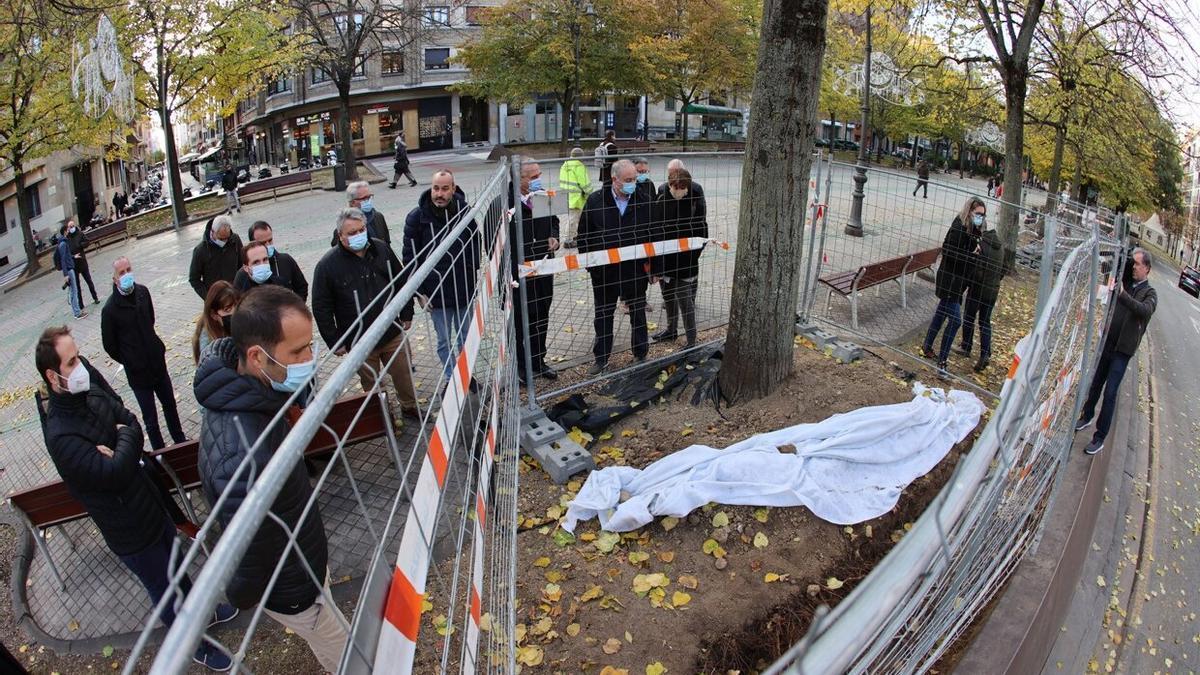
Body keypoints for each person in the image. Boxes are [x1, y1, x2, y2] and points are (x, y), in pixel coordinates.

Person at [36, 326, 235, 671]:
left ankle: (203, 612)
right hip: (129, 530)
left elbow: (131, 422)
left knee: (177, 569)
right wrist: (123, 443)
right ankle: (192, 643)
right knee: (163, 587)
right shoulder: (61, 434)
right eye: (72, 362)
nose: (82, 366)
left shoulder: (92, 394)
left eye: (79, 355)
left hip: (150, 504)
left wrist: (119, 443)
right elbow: (112, 475)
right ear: (53, 376)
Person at [194, 286, 347, 671]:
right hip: (293, 586)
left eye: (310, 346)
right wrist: (252, 596)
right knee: (348, 654)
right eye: (297, 352)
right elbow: (246, 558)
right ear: (257, 356)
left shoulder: (249, 390)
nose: (310, 361)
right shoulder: (245, 456)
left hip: (300, 560)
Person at [313, 208, 420, 418]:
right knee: (372, 384)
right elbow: (321, 306)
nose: (358, 235)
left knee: (404, 373)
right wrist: (335, 340)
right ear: (340, 236)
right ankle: (384, 416)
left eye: (361, 229)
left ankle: (409, 406)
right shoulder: (327, 266)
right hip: (359, 340)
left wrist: (407, 313)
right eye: (352, 233)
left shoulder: (381, 249)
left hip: (391, 331)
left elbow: (400, 282)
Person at [1076, 248, 1157, 455]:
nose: (1134, 268)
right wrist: (1126, 259)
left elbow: (1144, 310)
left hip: (1123, 351)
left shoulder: (1150, 293)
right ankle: (1087, 415)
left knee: (1110, 392)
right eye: (1134, 263)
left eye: (1138, 264)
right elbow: (1114, 268)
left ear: (1147, 268)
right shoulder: (1126, 282)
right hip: (1109, 342)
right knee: (1096, 383)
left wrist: (1123, 295)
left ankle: (1099, 437)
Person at [101, 257, 188, 450]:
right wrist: (129, 359)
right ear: (115, 279)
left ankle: (180, 440)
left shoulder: (142, 292)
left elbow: (151, 319)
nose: (126, 275)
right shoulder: (110, 310)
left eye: (128, 270)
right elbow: (109, 345)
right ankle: (160, 449)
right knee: (150, 417)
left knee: (170, 404)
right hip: (137, 372)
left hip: (157, 362)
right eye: (121, 273)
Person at [577, 159, 655, 373]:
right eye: (628, 180)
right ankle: (601, 358)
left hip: (635, 270)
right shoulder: (595, 201)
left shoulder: (644, 200)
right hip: (604, 272)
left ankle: (640, 353)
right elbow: (584, 234)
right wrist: (590, 265)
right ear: (614, 180)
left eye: (635, 180)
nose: (633, 184)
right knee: (603, 314)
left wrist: (654, 267)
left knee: (638, 311)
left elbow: (654, 235)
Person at [403, 170, 480, 379]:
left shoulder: (464, 212)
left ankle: (468, 376)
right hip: (434, 293)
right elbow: (410, 259)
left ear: (453, 189)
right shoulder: (417, 218)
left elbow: (475, 242)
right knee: (444, 340)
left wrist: (471, 273)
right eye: (436, 188)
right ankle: (451, 378)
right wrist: (419, 292)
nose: (439, 193)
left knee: (466, 337)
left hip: (463, 288)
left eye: (445, 188)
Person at [922, 197, 982, 376]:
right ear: (969, 211)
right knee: (956, 321)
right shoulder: (958, 228)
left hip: (958, 284)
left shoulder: (972, 231)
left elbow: (968, 256)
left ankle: (927, 345)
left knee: (941, 314)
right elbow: (948, 252)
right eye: (978, 214)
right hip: (949, 282)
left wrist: (975, 249)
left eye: (983, 215)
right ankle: (942, 363)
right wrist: (971, 255)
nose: (981, 218)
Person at [514, 161, 561, 382]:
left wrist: (554, 237)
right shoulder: (504, 204)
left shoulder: (542, 197)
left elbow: (554, 221)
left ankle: (539, 361)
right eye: (533, 176)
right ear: (519, 178)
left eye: (539, 175)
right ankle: (521, 368)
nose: (538, 180)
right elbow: (495, 243)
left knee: (541, 317)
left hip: (544, 271)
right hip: (517, 277)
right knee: (519, 323)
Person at [651, 168, 707, 348]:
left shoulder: (695, 196)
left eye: (682, 188)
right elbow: (655, 228)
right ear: (669, 185)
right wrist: (657, 263)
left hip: (686, 260)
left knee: (685, 300)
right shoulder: (661, 195)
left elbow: (702, 230)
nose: (678, 191)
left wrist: (693, 256)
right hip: (665, 259)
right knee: (667, 296)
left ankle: (691, 339)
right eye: (675, 188)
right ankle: (671, 330)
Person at [958, 210, 1004, 372]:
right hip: (993, 291)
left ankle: (966, 346)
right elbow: (1003, 269)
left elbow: (976, 269)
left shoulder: (982, 245)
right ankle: (985, 353)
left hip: (978, 289)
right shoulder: (1000, 247)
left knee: (969, 317)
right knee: (985, 322)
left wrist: (970, 281)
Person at [241, 220, 308, 301]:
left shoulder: (286, 261)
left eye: (270, 240)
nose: (268, 245)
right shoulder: (242, 275)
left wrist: (295, 309)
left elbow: (301, 287)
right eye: (263, 242)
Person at [189, 216, 244, 301]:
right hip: (216, 299)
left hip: (236, 295)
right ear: (213, 232)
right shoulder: (200, 250)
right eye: (221, 238)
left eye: (227, 238)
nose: (224, 241)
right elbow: (194, 279)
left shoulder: (235, 240)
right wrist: (209, 298)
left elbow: (242, 265)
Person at [330, 181, 392, 247]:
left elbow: (387, 243)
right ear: (352, 202)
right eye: (364, 198)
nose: (368, 200)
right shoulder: (343, 229)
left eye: (369, 197)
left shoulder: (378, 217)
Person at [193, 281, 239, 364]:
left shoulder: (229, 327)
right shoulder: (209, 349)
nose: (234, 312)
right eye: (227, 310)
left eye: (236, 306)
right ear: (214, 314)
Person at [558, 147, 591, 248]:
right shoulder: (579, 166)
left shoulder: (565, 164)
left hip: (567, 196)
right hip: (577, 197)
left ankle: (573, 236)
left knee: (572, 218)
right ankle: (568, 240)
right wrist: (590, 193)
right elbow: (584, 183)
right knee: (573, 220)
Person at [64, 219, 101, 305]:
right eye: (70, 227)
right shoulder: (67, 238)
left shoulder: (80, 234)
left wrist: (80, 245)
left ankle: (95, 297)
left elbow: (87, 242)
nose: (72, 228)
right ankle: (81, 304)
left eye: (73, 226)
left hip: (82, 262)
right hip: (74, 265)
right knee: (77, 286)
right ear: (68, 228)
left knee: (89, 281)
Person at [54, 232, 86, 319]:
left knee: (73, 291)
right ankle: (77, 313)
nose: (69, 231)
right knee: (74, 291)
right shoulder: (63, 244)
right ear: (65, 232)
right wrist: (66, 274)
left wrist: (73, 256)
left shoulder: (62, 243)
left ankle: (76, 311)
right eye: (68, 229)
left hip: (69, 269)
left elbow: (67, 256)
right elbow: (63, 259)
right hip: (69, 270)